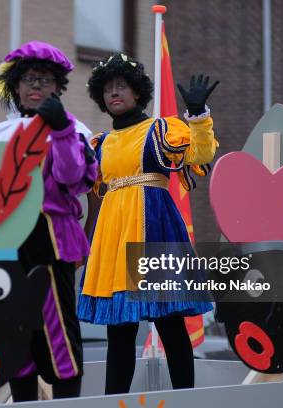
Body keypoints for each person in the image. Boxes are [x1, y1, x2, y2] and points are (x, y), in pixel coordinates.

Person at [78, 53, 219, 394]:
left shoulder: (159, 130)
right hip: (114, 233)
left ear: (137, 92)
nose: (115, 93)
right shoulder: (101, 143)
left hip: (153, 226)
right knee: (120, 331)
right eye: (108, 88)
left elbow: (200, 155)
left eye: (122, 86)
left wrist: (198, 117)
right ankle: (115, 402)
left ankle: (185, 399)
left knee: (170, 325)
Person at [0, 41, 97, 401]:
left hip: (52, 239)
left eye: (46, 80)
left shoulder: (73, 129)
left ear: (57, 88)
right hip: (8, 241)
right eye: (30, 79)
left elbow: (72, 177)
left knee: (58, 329)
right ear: (15, 86)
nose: (36, 86)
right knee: (18, 332)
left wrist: (61, 131)